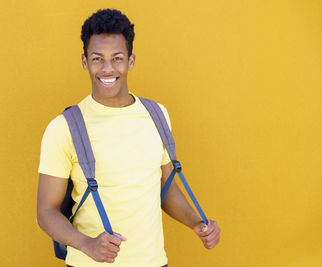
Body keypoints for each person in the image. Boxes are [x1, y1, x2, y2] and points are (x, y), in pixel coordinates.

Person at [37, 8, 220, 267]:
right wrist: (86, 244)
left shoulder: (157, 115)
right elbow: (45, 211)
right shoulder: (64, 127)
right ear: (84, 62)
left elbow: (165, 189)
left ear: (131, 61)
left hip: (153, 262)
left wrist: (197, 223)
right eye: (98, 59)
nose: (108, 68)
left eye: (117, 58)